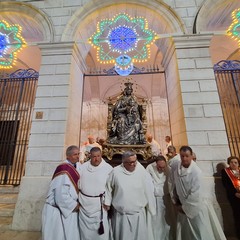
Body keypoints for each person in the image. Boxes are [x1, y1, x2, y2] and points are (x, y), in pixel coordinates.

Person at [170, 145, 226, 240]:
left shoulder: (196, 172)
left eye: (187, 156)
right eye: (182, 156)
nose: (184, 158)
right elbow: (173, 185)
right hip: (182, 207)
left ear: (191, 156)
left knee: (199, 232)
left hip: (195, 208)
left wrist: (185, 208)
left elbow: (196, 193)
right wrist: (176, 201)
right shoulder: (177, 170)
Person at [104, 151, 156, 240]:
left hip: (138, 214)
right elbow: (109, 188)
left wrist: (151, 208)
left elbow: (149, 190)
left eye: (134, 162)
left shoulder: (141, 172)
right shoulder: (115, 172)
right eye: (130, 163)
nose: (133, 164)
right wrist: (107, 203)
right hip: (122, 216)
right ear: (123, 162)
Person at [42, 145, 81, 240]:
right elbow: (60, 195)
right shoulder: (64, 169)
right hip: (59, 210)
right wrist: (74, 205)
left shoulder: (75, 166)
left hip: (66, 208)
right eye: (75, 154)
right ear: (68, 156)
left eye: (78, 154)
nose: (77, 156)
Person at [78, 147, 113, 240]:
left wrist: (108, 202)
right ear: (90, 156)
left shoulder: (108, 169)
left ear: (101, 155)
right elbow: (77, 185)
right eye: (94, 156)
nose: (96, 159)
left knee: (100, 235)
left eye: (98, 156)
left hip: (100, 205)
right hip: (84, 205)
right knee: (85, 233)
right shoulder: (82, 167)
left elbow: (111, 188)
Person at [146, 155, 174, 240]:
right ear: (156, 164)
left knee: (166, 221)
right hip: (154, 199)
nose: (162, 169)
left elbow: (171, 184)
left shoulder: (168, 170)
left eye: (163, 167)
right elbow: (148, 184)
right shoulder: (150, 169)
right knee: (156, 221)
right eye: (159, 167)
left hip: (166, 199)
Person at [221, 156, 240, 239]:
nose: (234, 164)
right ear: (229, 163)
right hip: (234, 197)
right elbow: (226, 185)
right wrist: (235, 193)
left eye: (235, 162)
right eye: (232, 162)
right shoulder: (225, 171)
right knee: (238, 215)